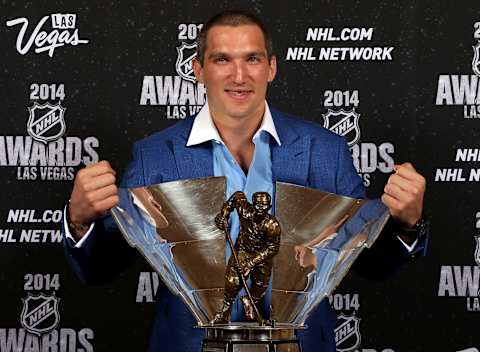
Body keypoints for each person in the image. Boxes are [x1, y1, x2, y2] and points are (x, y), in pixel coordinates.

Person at [63, 9, 428, 352]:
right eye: (222, 59)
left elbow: (368, 263)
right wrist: (80, 221)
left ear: (271, 68)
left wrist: (405, 224)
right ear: (198, 69)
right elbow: (102, 269)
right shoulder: (156, 155)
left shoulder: (325, 151)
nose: (239, 76)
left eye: (252, 59)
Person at [212, 191, 281, 324]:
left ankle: (250, 301)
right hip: (242, 250)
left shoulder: (273, 225)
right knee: (232, 283)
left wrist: (250, 263)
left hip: (261, 256)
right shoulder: (245, 210)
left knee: (261, 286)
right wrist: (223, 215)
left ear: (269, 206)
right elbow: (236, 197)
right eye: (257, 205)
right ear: (252, 204)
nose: (260, 208)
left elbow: (272, 248)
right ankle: (224, 314)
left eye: (264, 205)